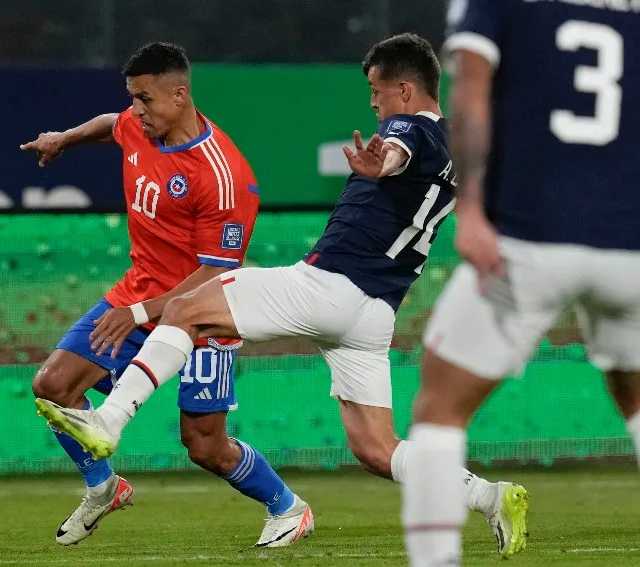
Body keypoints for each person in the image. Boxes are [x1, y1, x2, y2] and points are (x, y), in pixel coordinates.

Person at [38, 33, 526, 555]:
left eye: (376, 91)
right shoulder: (456, 148)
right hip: (374, 314)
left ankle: (109, 420)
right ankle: (488, 496)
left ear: (404, 90)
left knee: (184, 309)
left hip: (328, 285)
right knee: (377, 448)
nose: (373, 102)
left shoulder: (407, 128)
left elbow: (396, 150)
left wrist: (379, 163)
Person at [21, 42, 312, 548]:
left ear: (180, 95)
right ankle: (103, 487)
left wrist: (138, 313)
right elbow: (111, 123)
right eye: (133, 97)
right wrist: (64, 139)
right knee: (52, 387)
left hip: (203, 315)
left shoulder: (223, 176)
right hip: (135, 295)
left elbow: (220, 271)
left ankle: (289, 507)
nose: (137, 110)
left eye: (146, 99)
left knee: (204, 445)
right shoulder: (137, 124)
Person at [401, 1, 640, 565]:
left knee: (439, 408)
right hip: (629, 242)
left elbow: (471, 94)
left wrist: (474, 209)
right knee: (636, 401)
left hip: (530, 238)